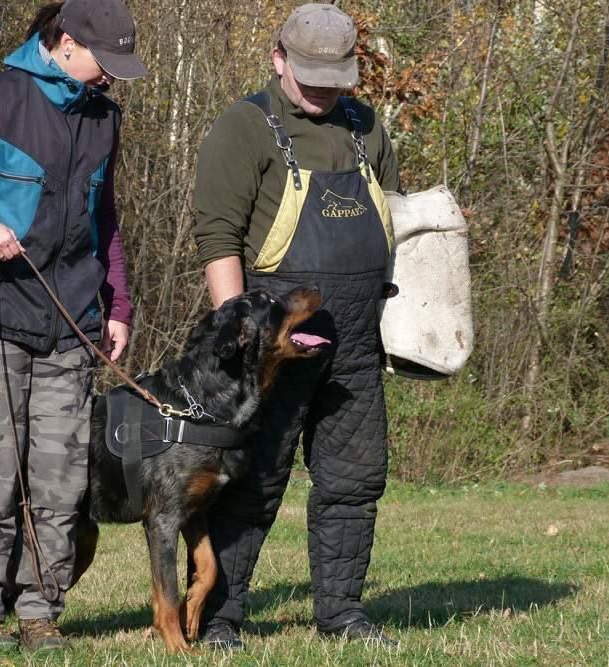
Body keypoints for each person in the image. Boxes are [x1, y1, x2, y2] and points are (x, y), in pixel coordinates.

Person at [0, 0, 146, 651]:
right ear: (66, 43)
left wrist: (117, 305)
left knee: (62, 474)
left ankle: (41, 611)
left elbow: (106, 216)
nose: (113, 78)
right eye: (106, 62)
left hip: (72, 317)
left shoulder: (104, 118)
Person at [192, 3, 401, 649]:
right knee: (252, 480)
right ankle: (220, 618)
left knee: (354, 480)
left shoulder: (366, 128)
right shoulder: (245, 126)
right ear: (277, 58)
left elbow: (394, 221)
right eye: (307, 75)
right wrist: (238, 334)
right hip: (272, 345)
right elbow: (218, 238)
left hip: (357, 346)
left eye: (332, 79)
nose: (320, 91)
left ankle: (341, 614)